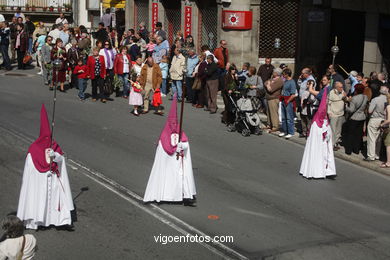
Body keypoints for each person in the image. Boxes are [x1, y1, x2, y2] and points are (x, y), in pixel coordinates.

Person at [17, 104, 74, 230]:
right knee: (39, 200)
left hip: (52, 179)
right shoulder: (34, 149)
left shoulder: (53, 145)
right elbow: (29, 169)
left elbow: (61, 160)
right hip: (39, 182)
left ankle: (58, 221)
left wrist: (56, 156)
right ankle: (38, 221)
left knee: (55, 201)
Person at [143, 94, 196, 205]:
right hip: (167, 163)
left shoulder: (180, 132)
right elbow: (163, 150)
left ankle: (183, 195)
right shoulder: (164, 135)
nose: (173, 125)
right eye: (171, 123)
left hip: (177, 163)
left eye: (174, 123)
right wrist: (175, 148)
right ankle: (161, 195)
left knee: (179, 177)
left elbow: (186, 145)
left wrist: (182, 146)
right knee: (166, 178)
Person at [299, 86, 336, 179]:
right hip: (319, 126)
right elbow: (323, 111)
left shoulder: (326, 103)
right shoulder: (323, 104)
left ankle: (325, 170)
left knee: (324, 149)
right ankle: (317, 171)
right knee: (318, 148)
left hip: (321, 125)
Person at [343, 84, 368, 155]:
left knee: (350, 134)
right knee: (358, 134)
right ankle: (356, 150)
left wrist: (345, 106)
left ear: (356, 90)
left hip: (354, 118)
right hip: (362, 117)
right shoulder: (365, 97)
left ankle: (348, 150)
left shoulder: (354, 98)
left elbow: (351, 110)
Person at [365, 85, 388, 161]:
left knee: (371, 138)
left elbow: (370, 111)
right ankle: (377, 155)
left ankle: (371, 156)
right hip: (384, 120)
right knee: (379, 139)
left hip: (375, 119)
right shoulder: (388, 100)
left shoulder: (375, 99)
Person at [279, 68, 297, 139]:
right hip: (284, 99)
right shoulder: (285, 81)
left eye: (283, 74)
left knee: (289, 118)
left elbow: (293, 94)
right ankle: (285, 131)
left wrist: (288, 101)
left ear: (287, 74)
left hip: (288, 101)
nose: (283, 75)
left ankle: (290, 132)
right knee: (283, 117)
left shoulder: (292, 82)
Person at [328, 81, 346, 151]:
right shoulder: (332, 93)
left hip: (341, 114)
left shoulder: (342, 92)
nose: (342, 88)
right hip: (334, 114)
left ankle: (335, 143)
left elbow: (345, 99)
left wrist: (346, 98)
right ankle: (331, 145)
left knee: (338, 130)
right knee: (333, 130)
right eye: (340, 87)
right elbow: (331, 102)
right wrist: (329, 112)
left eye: (342, 87)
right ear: (336, 87)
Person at [265, 68, 284, 132]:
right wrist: (269, 84)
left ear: (276, 73)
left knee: (273, 113)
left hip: (274, 98)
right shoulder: (272, 79)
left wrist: (269, 84)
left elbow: (271, 89)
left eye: (274, 71)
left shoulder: (279, 81)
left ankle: (275, 126)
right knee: (269, 112)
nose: (273, 72)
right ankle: (269, 124)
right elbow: (265, 83)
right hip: (269, 98)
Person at [379, 95, 390, 168]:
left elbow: (389, 120)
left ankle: (388, 162)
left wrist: (381, 124)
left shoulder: (389, 107)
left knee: (388, 146)